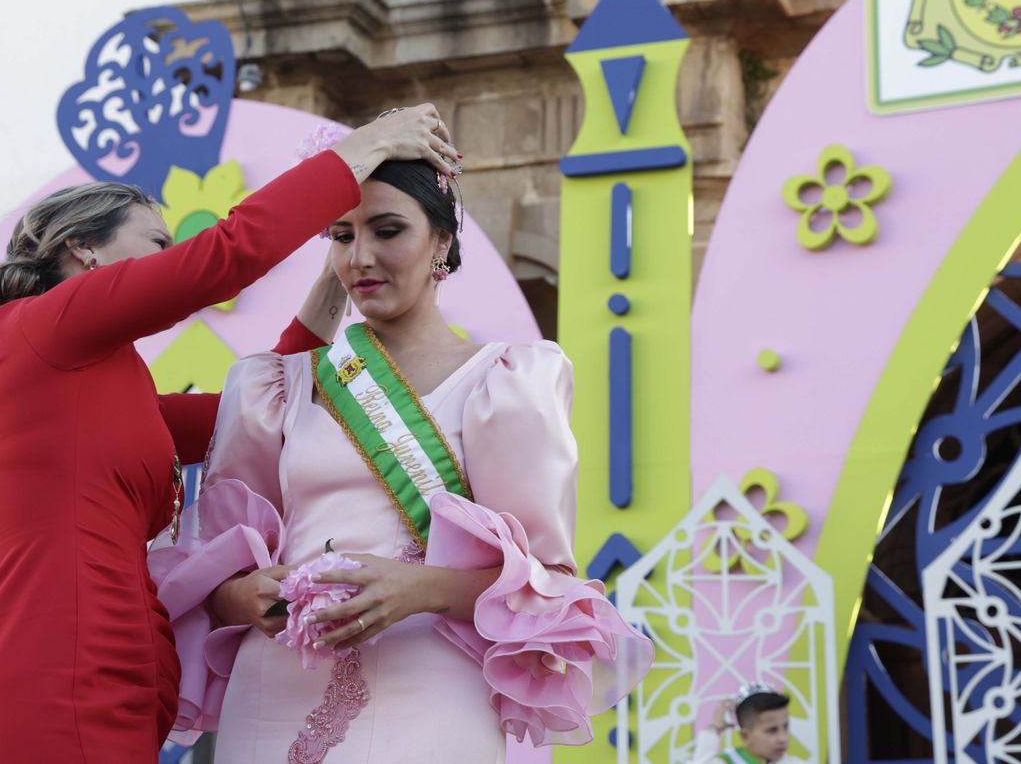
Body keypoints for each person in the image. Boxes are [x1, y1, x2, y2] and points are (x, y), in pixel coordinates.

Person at [0, 106, 461, 764]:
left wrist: (339, 266)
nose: (172, 255)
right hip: (51, 683)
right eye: (157, 241)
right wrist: (366, 147)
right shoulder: (38, 331)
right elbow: (227, 255)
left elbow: (266, 404)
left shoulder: (97, 380)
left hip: (113, 687)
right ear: (83, 249)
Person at [149, 148, 653, 762]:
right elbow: (215, 566)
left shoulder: (507, 383)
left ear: (441, 239)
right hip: (277, 684)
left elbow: (545, 585)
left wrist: (418, 588)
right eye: (341, 236)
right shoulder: (274, 389)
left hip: (433, 688)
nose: (360, 258)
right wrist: (242, 596)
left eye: (388, 230)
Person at [690, 685, 798, 764]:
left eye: (785, 727)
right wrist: (715, 728)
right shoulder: (728, 761)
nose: (783, 738)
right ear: (745, 735)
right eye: (772, 730)